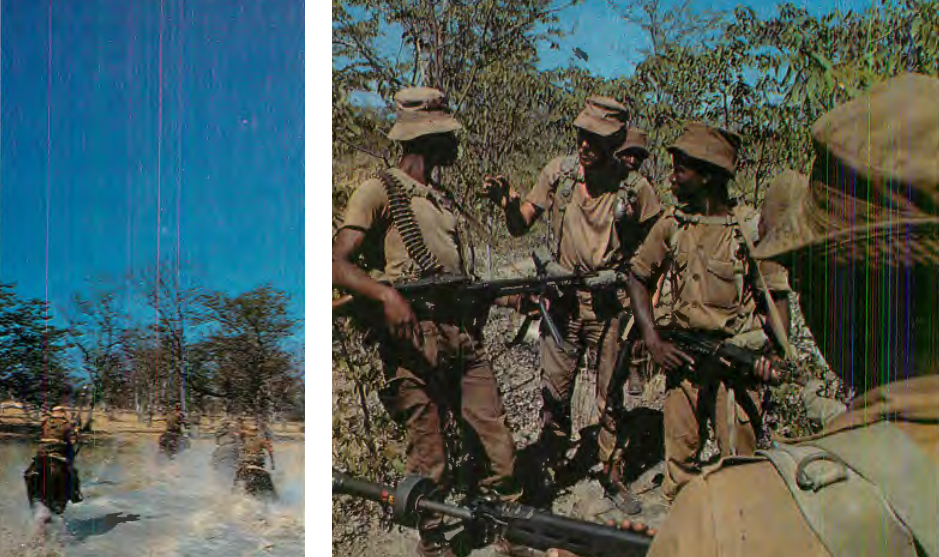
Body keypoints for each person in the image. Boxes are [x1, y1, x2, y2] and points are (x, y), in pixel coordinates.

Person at [333, 87, 520, 557]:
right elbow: (332, 263)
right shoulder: (380, 190)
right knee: (429, 459)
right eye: (448, 136)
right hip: (412, 340)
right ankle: (434, 543)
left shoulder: (439, 198)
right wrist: (385, 294)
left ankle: (502, 529)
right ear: (429, 139)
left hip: (460, 336)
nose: (456, 145)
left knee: (498, 444)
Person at [483, 98, 662, 514]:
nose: (583, 145)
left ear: (615, 143)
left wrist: (645, 307)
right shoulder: (559, 175)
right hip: (563, 305)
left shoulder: (635, 190)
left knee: (610, 399)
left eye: (594, 140)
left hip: (609, 308)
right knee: (555, 396)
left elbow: (658, 246)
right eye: (580, 136)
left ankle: (612, 473)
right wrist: (509, 202)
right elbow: (519, 223)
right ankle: (551, 469)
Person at [626, 122, 788, 501]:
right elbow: (637, 276)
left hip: (735, 367)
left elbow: (775, 296)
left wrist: (774, 357)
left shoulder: (749, 230)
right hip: (686, 363)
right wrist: (652, 340)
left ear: (708, 176)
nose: (672, 178)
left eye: (681, 169)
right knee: (679, 467)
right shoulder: (672, 224)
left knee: (739, 471)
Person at [32, 405, 83, 503]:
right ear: (63, 413)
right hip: (59, 453)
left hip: (41, 453)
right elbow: (72, 442)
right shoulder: (68, 425)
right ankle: (75, 494)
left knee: (31, 471)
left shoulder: (45, 423)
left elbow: (39, 435)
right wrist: (76, 433)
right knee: (73, 472)